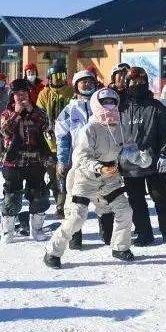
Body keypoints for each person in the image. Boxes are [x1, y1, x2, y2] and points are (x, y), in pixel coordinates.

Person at [44, 88, 136, 266]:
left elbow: (128, 148)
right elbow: (81, 158)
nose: (109, 106)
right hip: (85, 178)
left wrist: (139, 157)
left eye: (112, 102)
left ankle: (120, 246)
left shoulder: (121, 128)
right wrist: (99, 167)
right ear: (96, 104)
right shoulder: (89, 129)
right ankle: (52, 251)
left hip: (110, 178)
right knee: (77, 217)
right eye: (105, 102)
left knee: (125, 211)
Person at [119, 66, 166, 246]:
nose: (137, 85)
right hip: (130, 163)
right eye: (133, 82)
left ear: (146, 83)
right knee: (136, 201)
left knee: (161, 197)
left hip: (154, 161)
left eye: (141, 82)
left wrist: (165, 154)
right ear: (127, 84)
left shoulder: (156, 107)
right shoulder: (121, 108)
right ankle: (144, 233)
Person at [54, 70, 107, 249]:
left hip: (101, 160)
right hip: (77, 163)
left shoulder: (102, 106)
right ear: (76, 86)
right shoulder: (69, 110)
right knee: (75, 202)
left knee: (104, 198)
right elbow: (62, 137)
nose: (86, 85)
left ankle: (107, 234)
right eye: (82, 82)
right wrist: (62, 160)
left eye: (89, 82)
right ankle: (75, 238)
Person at [0, 78, 53, 242]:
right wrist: (16, 113)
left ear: (29, 95)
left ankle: (37, 229)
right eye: (17, 95)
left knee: (39, 195)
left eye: (24, 94)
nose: (21, 97)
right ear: (12, 96)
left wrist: (32, 111)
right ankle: (7, 231)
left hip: (35, 162)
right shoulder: (7, 113)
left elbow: (46, 126)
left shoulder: (37, 111)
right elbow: (6, 131)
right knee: (12, 197)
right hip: (13, 162)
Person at [37, 66, 74, 222]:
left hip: (68, 142)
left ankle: (64, 205)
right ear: (49, 77)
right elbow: (39, 115)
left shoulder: (70, 92)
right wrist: (47, 128)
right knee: (54, 176)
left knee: (66, 175)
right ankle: (59, 202)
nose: (59, 79)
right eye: (56, 76)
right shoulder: (44, 94)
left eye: (62, 76)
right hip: (49, 142)